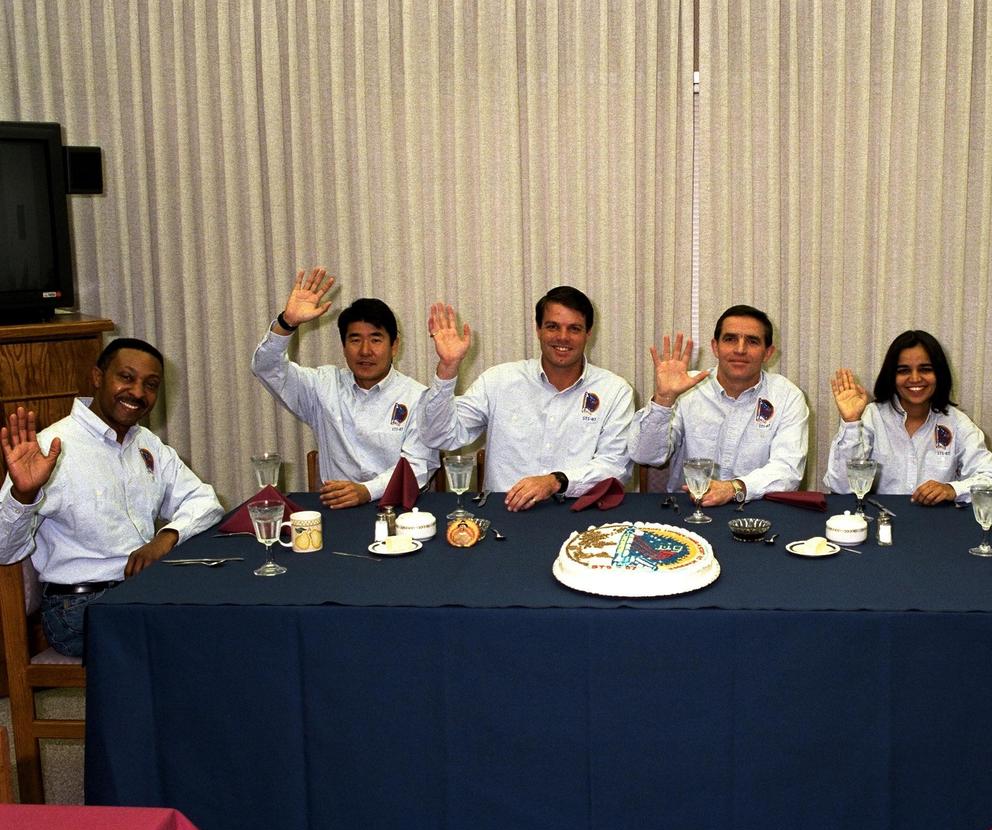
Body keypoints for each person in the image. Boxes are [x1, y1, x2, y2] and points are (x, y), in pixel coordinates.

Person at [0, 338, 223, 657]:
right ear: (97, 377)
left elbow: (205, 501)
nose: (137, 393)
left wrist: (165, 538)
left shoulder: (146, 444)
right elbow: (4, 550)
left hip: (140, 591)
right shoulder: (50, 449)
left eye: (151, 384)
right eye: (126, 377)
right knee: (202, 635)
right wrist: (23, 494)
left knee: (230, 607)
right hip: (78, 608)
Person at [422, 286, 634, 512]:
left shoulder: (615, 390)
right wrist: (448, 367)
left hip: (578, 513)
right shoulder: (498, 380)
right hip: (503, 513)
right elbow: (440, 437)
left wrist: (556, 481)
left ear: (588, 334)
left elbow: (615, 467)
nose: (563, 337)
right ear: (538, 329)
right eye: (552, 326)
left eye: (574, 328)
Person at [252, 266, 438, 508]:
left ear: (394, 346)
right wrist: (287, 323)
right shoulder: (322, 386)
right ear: (343, 346)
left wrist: (365, 491)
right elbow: (266, 368)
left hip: (398, 510)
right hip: (335, 510)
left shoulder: (417, 397)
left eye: (375, 339)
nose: (365, 351)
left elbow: (419, 465)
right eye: (355, 339)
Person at [628, 305, 808, 506]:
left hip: (755, 509)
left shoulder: (787, 396)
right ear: (715, 347)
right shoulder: (686, 387)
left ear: (768, 353)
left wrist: (733, 488)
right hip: (688, 508)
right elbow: (645, 456)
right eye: (730, 339)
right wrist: (663, 399)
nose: (740, 349)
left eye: (752, 341)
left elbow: (788, 470)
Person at [823, 329, 992, 503]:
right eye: (903, 370)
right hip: (879, 523)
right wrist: (851, 422)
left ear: (939, 373)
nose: (915, 378)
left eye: (925, 369)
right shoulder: (871, 416)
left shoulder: (957, 422)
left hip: (937, 525)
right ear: (891, 376)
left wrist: (952, 490)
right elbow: (841, 487)